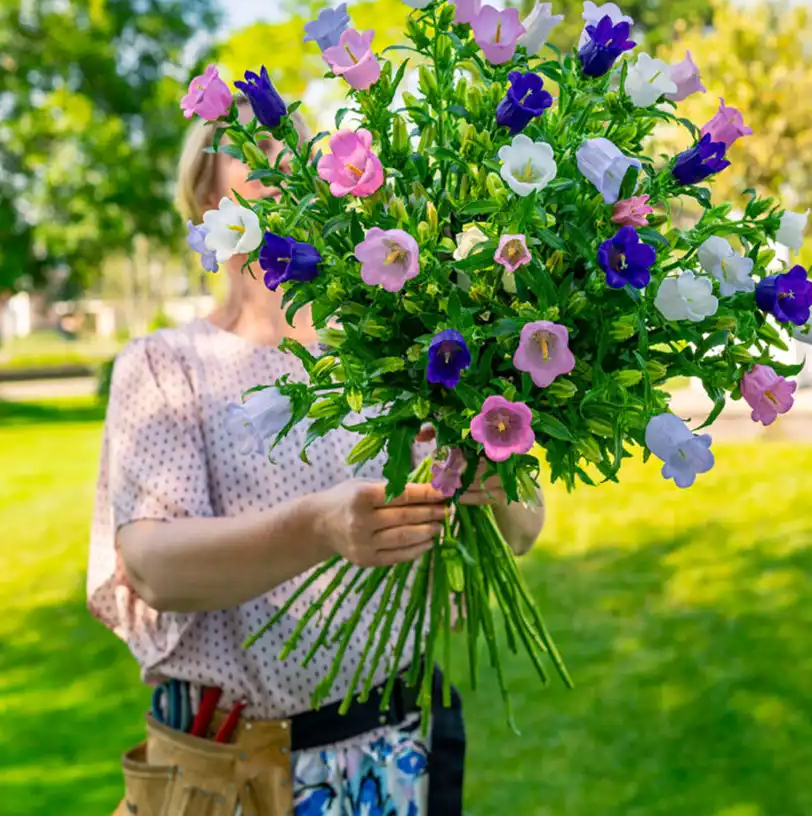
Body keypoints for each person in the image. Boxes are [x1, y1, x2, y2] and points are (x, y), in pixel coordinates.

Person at [86, 96, 545, 816]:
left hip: (392, 760)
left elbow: (522, 528)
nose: (276, 159)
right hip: (238, 769)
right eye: (246, 144)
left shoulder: (390, 346)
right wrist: (317, 528)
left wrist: (497, 478)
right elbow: (152, 568)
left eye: (287, 141)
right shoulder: (167, 365)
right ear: (205, 192)